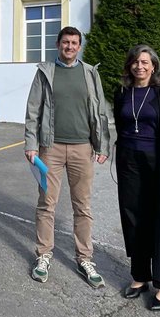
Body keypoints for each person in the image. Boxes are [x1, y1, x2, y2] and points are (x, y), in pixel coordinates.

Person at [24, 26, 110, 288]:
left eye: (74, 43)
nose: (69, 47)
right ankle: (43, 255)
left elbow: (100, 109)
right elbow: (33, 110)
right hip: (51, 149)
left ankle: (85, 258)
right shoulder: (45, 72)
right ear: (58, 44)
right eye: (65, 42)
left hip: (83, 148)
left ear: (79, 46)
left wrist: (102, 144)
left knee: (82, 206)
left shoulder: (90, 73)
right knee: (46, 204)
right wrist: (31, 143)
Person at [112, 44, 160, 311]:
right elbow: (120, 125)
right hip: (129, 162)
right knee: (134, 217)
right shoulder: (123, 93)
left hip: (159, 164)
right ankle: (140, 276)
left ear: (153, 66)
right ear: (129, 66)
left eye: (145, 62)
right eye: (135, 62)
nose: (139, 66)